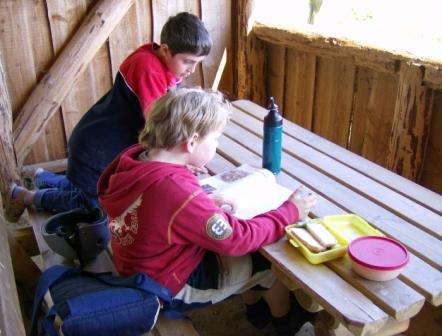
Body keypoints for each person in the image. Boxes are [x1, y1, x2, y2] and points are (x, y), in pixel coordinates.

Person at [97, 88, 318, 335]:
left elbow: (159, 208)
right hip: (166, 284)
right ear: (191, 142)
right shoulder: (175, 190)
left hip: (138, 264)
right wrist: (290, 211)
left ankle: (256, 312)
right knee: (267, 264)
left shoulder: (134, 161)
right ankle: (285, 322)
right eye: (215, 139)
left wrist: (204, 202)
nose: (217, 144)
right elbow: (237, 239)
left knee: (253, 252)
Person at [4, 12, 212, 222]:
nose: (192, 69)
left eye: (197, 63)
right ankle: (28, 197)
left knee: (83, 187)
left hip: (97, 141)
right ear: (166, 49)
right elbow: (159, 126)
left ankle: (40, 177)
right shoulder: (148, 68)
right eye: (188, 62)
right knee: (91, 205)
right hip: (97, 151)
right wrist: (183, 160)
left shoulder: (163, 63)